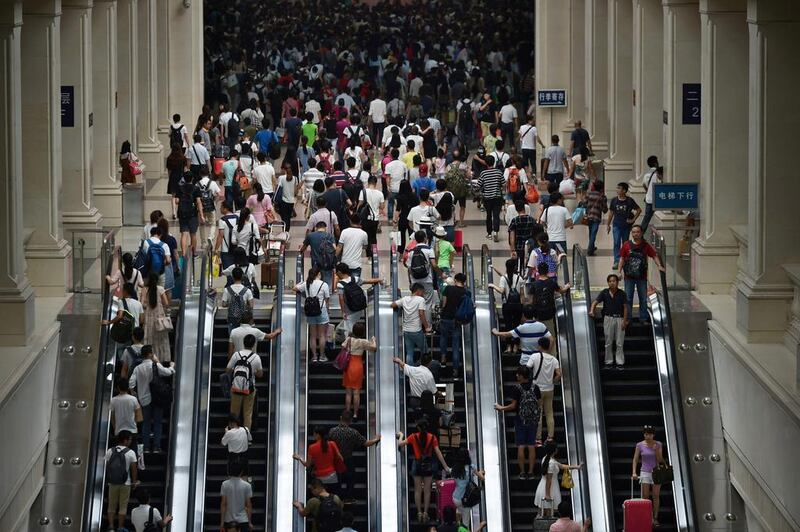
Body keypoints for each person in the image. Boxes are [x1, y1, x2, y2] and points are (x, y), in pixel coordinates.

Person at [396, 418, 452, 524]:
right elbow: (438, 452)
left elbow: (400, 444)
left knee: (418, 490)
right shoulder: (432, 437)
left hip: (417, 465)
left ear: (418, 427)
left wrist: (401, 435)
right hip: (428, 466)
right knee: (427, 490)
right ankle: (426, 513)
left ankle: (419, 512)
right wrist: (445, 467)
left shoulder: (413, 436)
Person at [494, 366, 542, 479]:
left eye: (518, 374)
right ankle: (530, 472)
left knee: (521, 446)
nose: (516, 376)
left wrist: (501, 408)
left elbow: (513, 406)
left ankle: (522, 472)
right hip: (533, 421)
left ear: (521, 376)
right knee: (531, 445)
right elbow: (539, 403)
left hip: (520, 420)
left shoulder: (517, 388)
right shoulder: (535, 387)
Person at [129, 345, 175, 453]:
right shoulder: (155, 365)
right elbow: (167, 373)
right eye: (152, 353)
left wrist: (135, 394)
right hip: (157, 398)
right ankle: (156, 447)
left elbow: (131, 383)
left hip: (144, 399)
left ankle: (146, 447)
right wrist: (172, 366)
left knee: (146, 423)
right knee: (158, 422)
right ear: (150, 354)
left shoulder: (137, 368)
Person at [328, 410, 381, 501]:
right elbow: (366, 443)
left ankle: (336, 498)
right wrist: (376, 439)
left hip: (335, 460)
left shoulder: (332, 431)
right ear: (350, 420)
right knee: (350, 478)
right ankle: (348, 497)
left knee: (337, 480)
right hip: (348, 459)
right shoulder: (353, 432)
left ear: (341, 418)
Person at [618, 225, 665, 322]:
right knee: (628, 298)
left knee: (643, 299)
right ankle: (628, 318)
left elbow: (654, 255)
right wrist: (619, 271)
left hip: (642, 277)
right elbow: (622, 259)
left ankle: (643, 318)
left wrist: (659, 265)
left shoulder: (646, 246)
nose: (635, 234)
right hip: (628, 277)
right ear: (631, 233)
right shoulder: (626, 245)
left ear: (641, 233)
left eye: (637, 232)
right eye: (634, 232)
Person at [525, 337, 561, 443]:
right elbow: (559, 374)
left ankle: (538, 438)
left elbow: (527, 368)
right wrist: (553, 381)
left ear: (539, 346)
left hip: (537, 389)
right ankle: (550, 437)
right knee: (549, 412)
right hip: (549, 389)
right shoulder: (554, 359)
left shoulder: (534, 356)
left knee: (538, 413)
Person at [534, 441, 583, 515]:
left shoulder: (546, 458)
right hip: (550, 489)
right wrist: (547, 494)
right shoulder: (551, 463)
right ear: (554, 450)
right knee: (549, 512)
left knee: (543, 511)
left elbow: (562, 466)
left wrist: (577, 467)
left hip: (544, 486)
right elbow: (549, 480)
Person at [632, 425, 667, 527]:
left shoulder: (658, 444)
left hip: (656, 471)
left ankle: (655, 518)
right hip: (645, 471)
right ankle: (647, 517)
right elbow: (635, 459)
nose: (648, 436)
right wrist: (634, 472)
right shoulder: (639, 445)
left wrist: (656, 450)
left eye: (650, 434)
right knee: (645, 496)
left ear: (653, 435)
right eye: (646, 434)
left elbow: (660, 460)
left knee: (655, 495)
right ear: (644, 434)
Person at [591, 273, 629, 368]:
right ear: (608, 283)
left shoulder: (622, 293)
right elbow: (595, 302)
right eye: (610, 281)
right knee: (608, 341)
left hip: (619, 319)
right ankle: (608, 362)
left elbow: (625, 308)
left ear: (617, 282)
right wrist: (591, 310)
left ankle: (620, 362)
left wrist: (624, 321)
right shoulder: (604, 292)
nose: (612, 283)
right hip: (608, 319)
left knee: (619, 342)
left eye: (614, 281)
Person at [293, 425, 345, 493]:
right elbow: (341, 458)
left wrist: (299, 458)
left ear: (318, 435)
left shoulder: (312, 447)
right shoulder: (332, 444)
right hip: (332, 476)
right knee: (332, 497)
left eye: (314, 433)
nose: (313, 435)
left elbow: (307, 465)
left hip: (320, 478)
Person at [294, 267, 331, 362]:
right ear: (319, 274)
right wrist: (328, 311)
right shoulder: (324, 284)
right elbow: (327, 300)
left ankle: (314, 356)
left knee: (313, 336)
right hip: (322, 311)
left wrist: (300, 282)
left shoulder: (306, 284)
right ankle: (322, 356)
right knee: (322, 335)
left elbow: (295, 288)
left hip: (310, 312)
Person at [226, 334, 262, 429]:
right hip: (249, 389)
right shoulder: (256, 357)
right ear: (253, 344)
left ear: (243, 343)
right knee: (247, 414)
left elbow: (228, 370)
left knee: (234, 412)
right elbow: (260, 374)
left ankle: (233, 433)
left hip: (235, 388)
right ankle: (246, 437)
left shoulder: (236, 355)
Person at [340, 322, 376, 416]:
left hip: (348, 366)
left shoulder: (349, 339)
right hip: (358, 366)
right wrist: (373, 340)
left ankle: (347, 412)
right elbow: (374, 348)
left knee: (348, 392)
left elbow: (342, 347)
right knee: (356, 392)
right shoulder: (363, 342)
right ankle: (355, 414)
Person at [105, 431, 139, 532]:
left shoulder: (110, 451)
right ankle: (120, 527)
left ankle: (111, 527)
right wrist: (134, 482)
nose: (130, 442)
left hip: (112, 483)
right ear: (125, 440)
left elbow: (107, 467)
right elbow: (134, 469)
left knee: (111, 505)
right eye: (130, 440)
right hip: (126, 483)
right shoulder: (131, 452)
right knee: (123, 506)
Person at [392, 282, 431, 364]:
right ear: (418, 291)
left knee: (409, 353)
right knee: (425, 351)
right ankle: (423, 369)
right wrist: (427, 327)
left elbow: (393, 304)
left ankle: (410, 373)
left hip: (406, 331)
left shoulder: (405, 299)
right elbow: (421, 314)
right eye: (422, 292)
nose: (423, 294)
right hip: (416, 330)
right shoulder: (420, 300)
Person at [530, 262, 571, 336]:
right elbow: (561, 291)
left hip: (538, 312)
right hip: (549, 312)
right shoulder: (552, 282)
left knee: (538, 333)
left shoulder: (534, 284)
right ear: (547, 271)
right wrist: (567, 286)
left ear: (538, 271)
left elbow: (532, 300)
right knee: (550, 334)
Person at [607, 182, 641, 269]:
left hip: (626, 226)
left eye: (619, 188)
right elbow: (611, 213)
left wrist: (633, 220)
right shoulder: (614, 200)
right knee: (616, 242)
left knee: (625, 243)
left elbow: (639, 210)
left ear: (624, 191)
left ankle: (625, 260)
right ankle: (616, 261)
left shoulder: (629, 201)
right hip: (616, 225)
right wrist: (608, 224)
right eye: (617, 188)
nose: (617, 190)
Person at [439, 273, 467, 374]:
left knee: (443, 337)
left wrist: (442, 311)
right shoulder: (466, 292)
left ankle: (443, 358)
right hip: (457, 320)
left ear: (455, 280)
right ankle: (455, 369)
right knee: (456, 344)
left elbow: (444, 303)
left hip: (446, 317)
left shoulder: (448, 289)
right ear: (464, 282)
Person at [141, 273, 172, 362]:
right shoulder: (161, 289)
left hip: (149, 318)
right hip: (159, 319)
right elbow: (166, 304)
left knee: (149, 338)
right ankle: (162, 359)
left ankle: (150, 359)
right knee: (161, 340)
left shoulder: (145, 289)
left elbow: (142, 304)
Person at [173, 172, 205, 257]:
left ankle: (183, 253)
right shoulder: (196, 188)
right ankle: (194, 253)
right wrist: (201, 215)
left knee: (184, 233)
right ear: (192, 178)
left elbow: (176, 201)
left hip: (182, 213)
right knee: (193, 234)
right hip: (193, 214)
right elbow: (198, 202)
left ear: (184, 178)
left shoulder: (180, 188)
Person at [508, 198, 543, 273]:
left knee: (518, 265)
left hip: (519, 246)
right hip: (530, 245)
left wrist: (512, 249)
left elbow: (512, 237)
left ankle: (520, 277)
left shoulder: (515, 220)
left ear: (516, 209)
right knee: (529, 264)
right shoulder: (531, 219)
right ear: (524, 207)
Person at [220, 462, 254, 532]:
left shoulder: (225, 484)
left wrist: (222, 523)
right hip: (243, 519)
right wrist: (250, 522)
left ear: (229, 471)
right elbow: (248, 505)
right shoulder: (247, 485)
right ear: (241, 472)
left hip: (228, 519)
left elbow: (223, 504)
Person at [478, 155, 504, 242]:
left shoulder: (483, 173)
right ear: (494, 162)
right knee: (496, 215)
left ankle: (489, 233)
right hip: (497, 197)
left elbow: (478, 185)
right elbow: (503, 184)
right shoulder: (499, 172)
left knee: (489, 215)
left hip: (487, 198)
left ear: (486, 163)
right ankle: (496, 232)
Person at [358, 175, 385, 257]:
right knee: (373, 237)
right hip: (375, 219)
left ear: (368, 182)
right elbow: (382, 206)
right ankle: (374, 254)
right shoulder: (380, 193)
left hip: (365, 218)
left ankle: (368, 255)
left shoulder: (363, 192)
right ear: (376, 183)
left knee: (366, 237)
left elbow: (360, 204)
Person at [222, 267, 255, 333]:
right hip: (244, 319)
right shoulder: (247, 290)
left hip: (232, 318)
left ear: (232, 276)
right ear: (242, 276)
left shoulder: (227, 290)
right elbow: (251, 306)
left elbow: (223, 304)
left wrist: (231, 303)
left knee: (232, 337)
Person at [394, 179, 419, 250]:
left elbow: (398, 210)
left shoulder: (400, 197)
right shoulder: (414, 196)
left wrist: (395, 221)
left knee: (401, 237)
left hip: (403, 218)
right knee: (412, 236)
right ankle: (412, 251)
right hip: (412, 219)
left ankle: (401, 254)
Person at [585, 179, 608, 256]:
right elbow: (605, 210)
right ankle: (590, 249)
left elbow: (584, 203)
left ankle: (592, 246)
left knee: (591, 232)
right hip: (596, 217)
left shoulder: (589, 194)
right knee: (593, 233)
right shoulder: (602, 197)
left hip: (588, 216)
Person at [215, 201, 239, 271]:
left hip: (226, 250)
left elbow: (220, 235)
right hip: (237, 249)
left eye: (221, 207)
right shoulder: (237, 218)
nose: (220, 209)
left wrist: (216, 249)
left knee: (228, 272)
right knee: (236, 271)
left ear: (226, 209)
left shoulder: (222, 220)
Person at [641, 164, 662, 233]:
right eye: (660, 175)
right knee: (647, 217)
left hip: (650, 199)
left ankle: (641, 232)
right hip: (651, 200)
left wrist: (647, 191)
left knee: (647, 217)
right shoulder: (656, 177)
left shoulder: (650, 174)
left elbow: (644, 184)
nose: (661, 177)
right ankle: (641, 232)